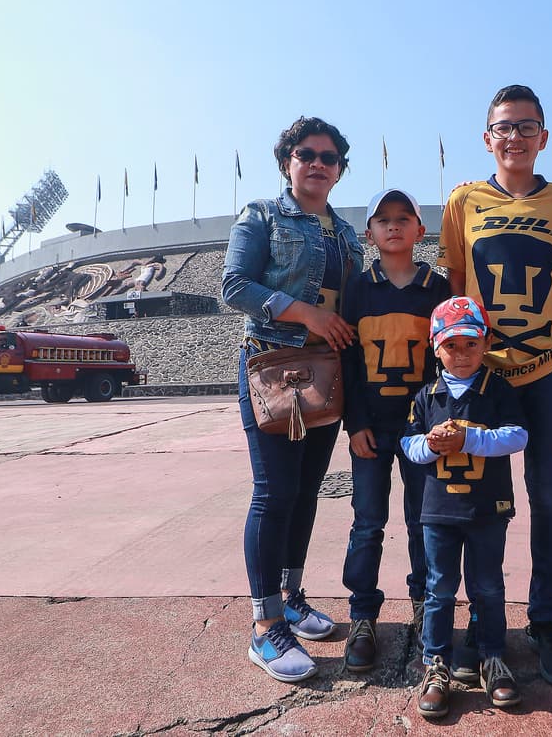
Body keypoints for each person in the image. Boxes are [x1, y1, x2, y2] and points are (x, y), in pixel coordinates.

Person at [437, 84, 552, 686]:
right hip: (484, 374)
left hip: (547, 367)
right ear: (487, 139)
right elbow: (455, 285)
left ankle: (546, 618)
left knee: (547, 491)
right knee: (472, 498)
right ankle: (479, 625)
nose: (514, 136)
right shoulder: (462, 201)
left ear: (544, 137)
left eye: (526, 126)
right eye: (504, 127)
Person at [222, 115, 363, 682]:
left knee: (306, 494)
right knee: (274, 492)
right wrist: (308, 313)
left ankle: (291, 595)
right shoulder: (261, 215)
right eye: (306, 154)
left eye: (330, 158)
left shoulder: (346, 232)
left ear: (339, 171)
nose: (318, 164)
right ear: (287, 162)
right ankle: (264, 625)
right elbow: (234, 286)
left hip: (326, 373)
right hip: (276, 368)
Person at [339, 188, 451, 672]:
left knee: (421, 521)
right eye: (382, 219)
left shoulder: (438, 288)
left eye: (404, 218)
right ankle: (363, 613)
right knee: (368, 522)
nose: (393, 226)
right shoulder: (357, 289)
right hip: (372, 428)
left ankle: (426, 606)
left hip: (419, 430)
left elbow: (447, 362)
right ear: (370, 234)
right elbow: (347, 360)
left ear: (420, 230)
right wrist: (355, 423)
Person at [403, 296, 529, 717]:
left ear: (486, 343)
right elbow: (407, 444)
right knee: (439, 587)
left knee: (488, 586)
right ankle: (435, 664)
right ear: (436, 347)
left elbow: (517, 436)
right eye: (452, 345)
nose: (461, 354)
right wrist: (431, 444)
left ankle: (492, 657)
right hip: (438, 510)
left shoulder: (497, 388)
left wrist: (469, 440)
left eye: (470, 344)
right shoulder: (426, 396)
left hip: (487, 508)